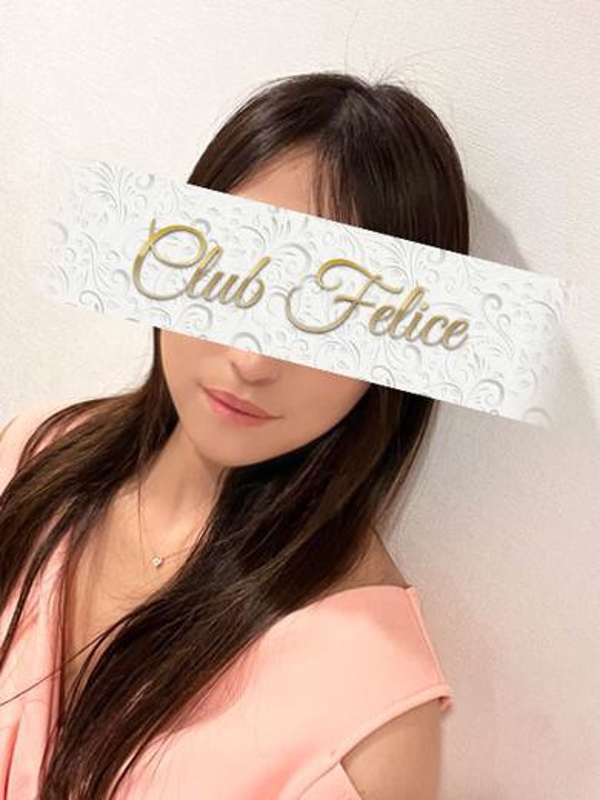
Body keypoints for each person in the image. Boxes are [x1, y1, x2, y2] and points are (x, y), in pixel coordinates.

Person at [0, 71, 467, 799]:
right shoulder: (33, 454)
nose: (251, 359)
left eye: (328, 312)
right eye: (232, 273)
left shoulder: (370, 721)